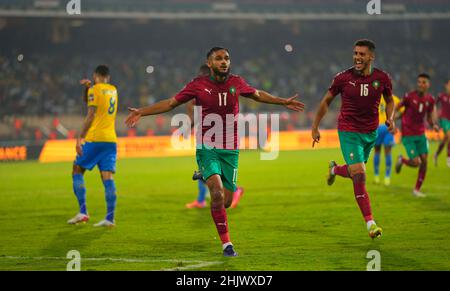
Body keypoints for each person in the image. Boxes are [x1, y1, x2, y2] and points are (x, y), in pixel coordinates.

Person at [125, 47, 304, 256]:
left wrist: (283, 101)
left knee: (226, 202)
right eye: (218, 59)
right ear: (209, 63)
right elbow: (171, 103)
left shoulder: (236, 82)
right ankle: (227, 245)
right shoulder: (198, 85)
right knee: (217, 194)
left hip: (230, 149)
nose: (224, 62)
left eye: (227, 58)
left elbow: (257, 94)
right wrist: (142, 111)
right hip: (207, 146)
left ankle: (206, 173)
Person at [311, 39, 395, 239]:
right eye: (355, 53)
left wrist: (390, 118)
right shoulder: (343, 78)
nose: (357, 57)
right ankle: (370, 223)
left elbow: (390, 100)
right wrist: (315, 125)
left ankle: (334, 169)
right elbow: (326, 101)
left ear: (371, 56)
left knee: (355, 172)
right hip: (349, 131)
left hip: (370, 133)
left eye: (362, 54)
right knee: (360, 173)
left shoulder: (382, 78)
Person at [185, 64, 244, 209]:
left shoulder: (213, 92)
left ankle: (235, 191)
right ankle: (201, 199)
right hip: (209, 137)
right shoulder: (203, 91)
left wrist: (190, 124)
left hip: (217, 140)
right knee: (204, 170)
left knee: (208, 171)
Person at [68, 65, 118, 227]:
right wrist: (88, 89)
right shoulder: (113, 90)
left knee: (77, 169)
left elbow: (91, 114)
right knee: (107, 177)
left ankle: (83, 211)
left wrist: (79, 137)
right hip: (111, 140)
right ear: (108, 77)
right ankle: (110, 218)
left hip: (95, 138)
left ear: (95, 75)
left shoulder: (94, 90)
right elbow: (93, 100)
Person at [395, 73, 439, 197]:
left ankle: (416, 190)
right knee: (416, 162)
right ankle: (402, 160)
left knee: (424, 161)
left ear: (428, 85)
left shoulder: (430, 100)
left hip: (420, 134)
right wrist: (392, 119)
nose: (420, 84)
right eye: (419, 82)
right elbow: (397, 108)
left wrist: (434, 125)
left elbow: (429, 117)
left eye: (423, 82)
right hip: (408, 134)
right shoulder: (409, 96)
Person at [373, 94, 402, 186]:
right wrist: (393, 118)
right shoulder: (394, 98)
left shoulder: (374, 95)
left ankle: (377, 176)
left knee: (377, 152)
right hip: (388, 126)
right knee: (387, 153)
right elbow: (403, 111)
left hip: (376, 127)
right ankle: (387, 177)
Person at [433, 80, 450, 167]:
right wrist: (435, 114)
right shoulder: (442, 96)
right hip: (444, 119)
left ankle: (436, 154)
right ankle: (448, 160)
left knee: (445, 140)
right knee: (449, 136)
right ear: (446, 86)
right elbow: (434, 104)